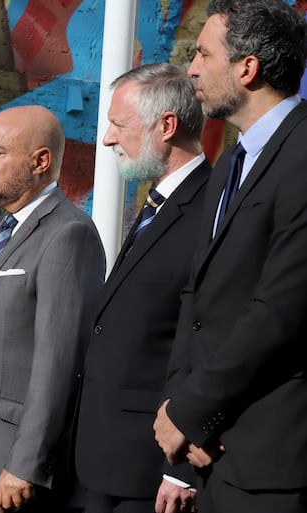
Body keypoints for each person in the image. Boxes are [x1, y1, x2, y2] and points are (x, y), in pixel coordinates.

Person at [152, 1, 307, 512]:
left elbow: (280, 309)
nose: (191, 68)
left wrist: (192, 411)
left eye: (202, 53)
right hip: (210, 451)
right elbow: (197, 298)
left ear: (247, 68)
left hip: (273, 460)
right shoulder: (230, 163)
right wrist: (178, 410)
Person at [0, 105, 105, 513]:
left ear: (39, 161)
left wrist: (26, 465)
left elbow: (59, 363)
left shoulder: (69, 234)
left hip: (13, 469)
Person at [74, 63, 210, 513]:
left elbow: (205, 339)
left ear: (166, 125)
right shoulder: (158, 204)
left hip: (151, 474)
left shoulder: (212, 211)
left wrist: (180, 468)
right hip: (102, 461)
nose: (108, 138)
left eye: (118, 124)